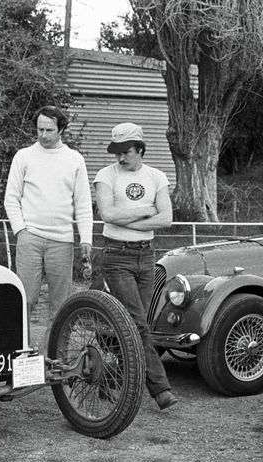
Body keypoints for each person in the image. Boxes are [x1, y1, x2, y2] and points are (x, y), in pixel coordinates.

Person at [94, 122, 178, 410]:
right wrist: (145, 210)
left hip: (145, 255)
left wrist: (126, 215)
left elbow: (166, 218)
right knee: (138, 324)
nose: (121, 158)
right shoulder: (106, 175)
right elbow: (107, 214)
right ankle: (160, 389)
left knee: (132, 324)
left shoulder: (156, 176)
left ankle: (108, 377)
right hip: (116, 255)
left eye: (126, 152)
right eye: (117, 152)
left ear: (140, 150)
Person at [4, 105, 93, 349]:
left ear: (61, 129)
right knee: (26, 298)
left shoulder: (75, 160)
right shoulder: (23, 156)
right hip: (30, 238)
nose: (43, 135)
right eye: (40, 129)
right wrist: (21, 230)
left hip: (62, 241)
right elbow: (11, 198)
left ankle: (53, 355)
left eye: (49, 130)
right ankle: (20, 352)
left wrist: (86, 238)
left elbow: (83, 203)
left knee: (60, 304)